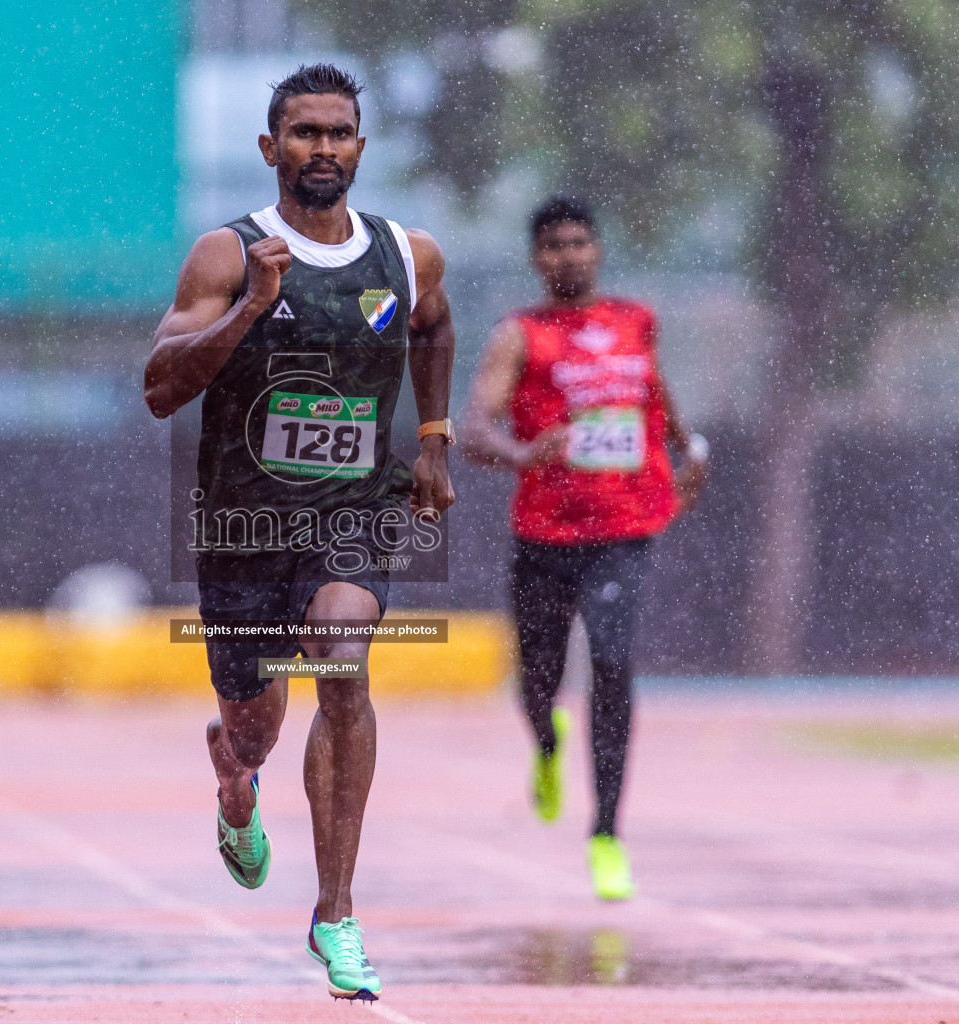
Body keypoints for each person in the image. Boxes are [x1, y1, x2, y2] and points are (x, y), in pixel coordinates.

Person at [144, 63, 455, 1000]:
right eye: (305, 133)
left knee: (342, 662)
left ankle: (337, 914)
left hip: (353, 514)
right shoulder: (227, 254)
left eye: (340, 132)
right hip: (245, 528)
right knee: (256, 726)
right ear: (270, 148)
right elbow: (160, 389)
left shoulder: (408, 256)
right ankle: (233, 782)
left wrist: (432, 439)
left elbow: (433, 329)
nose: (324, 148)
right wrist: (248, 311)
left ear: (361, 145)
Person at [462, 195, 706, 901]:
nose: (568, 255)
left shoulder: (636, 322)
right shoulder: (519, 336)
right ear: (536, 258)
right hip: (543, 534)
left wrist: (689, 449)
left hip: (622, 529)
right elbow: (476, 427)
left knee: (612, 661)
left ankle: (606, 834)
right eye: (553, 245)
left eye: (579, 242)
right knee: (537, 680)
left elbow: (654, 395)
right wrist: (521, 452)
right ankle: (545, 742)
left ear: (597, 249)